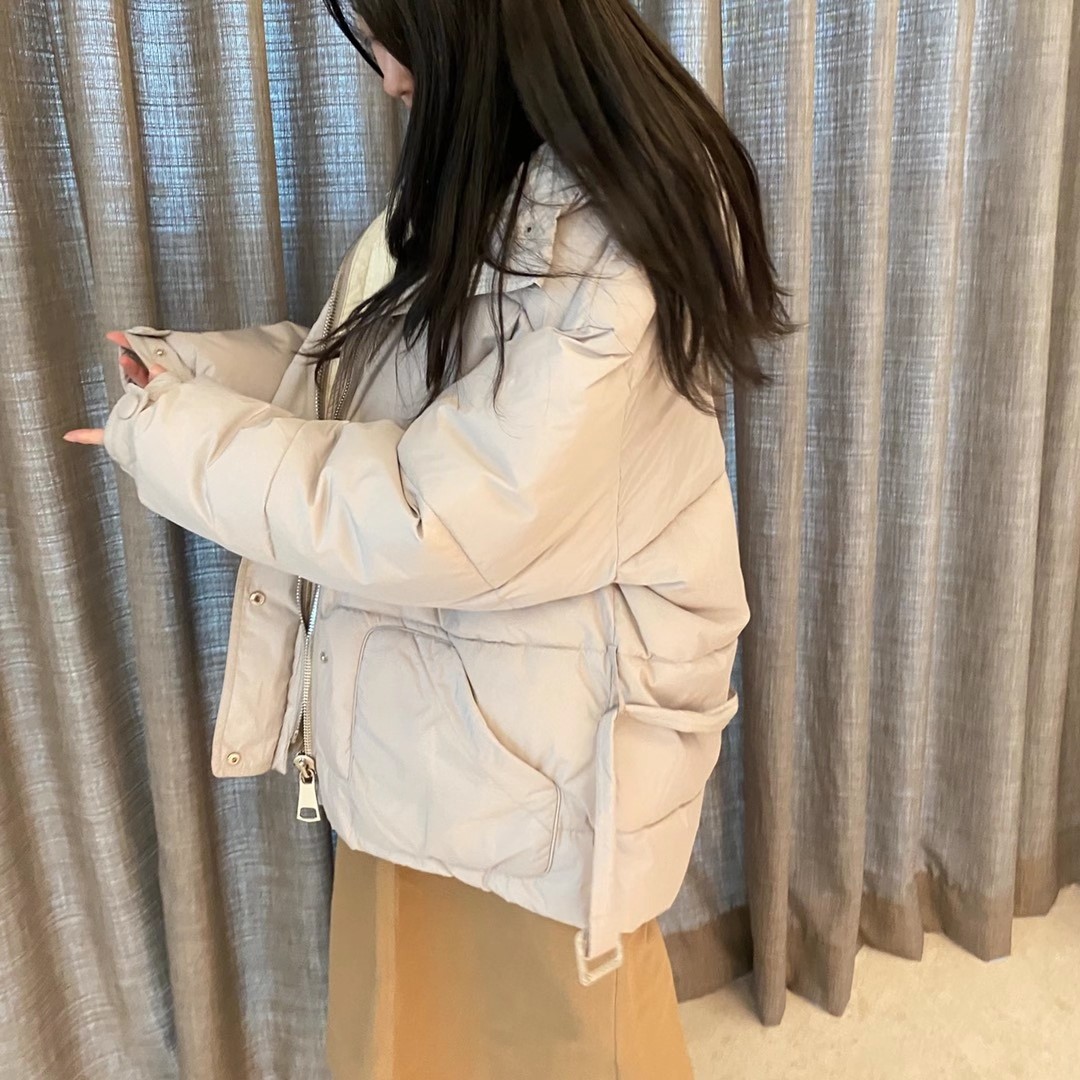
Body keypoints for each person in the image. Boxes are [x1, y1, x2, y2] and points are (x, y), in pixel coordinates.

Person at [64, 0, 791, 1075]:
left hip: (533, 766)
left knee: (546, 1043)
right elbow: (376, 378)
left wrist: (173, 438)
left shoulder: (601, 257)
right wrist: (195, 377)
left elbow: (433, 516)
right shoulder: (502, 190)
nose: (391, 77)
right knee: (417, 1027)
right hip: (444, 733)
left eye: (391, 35)